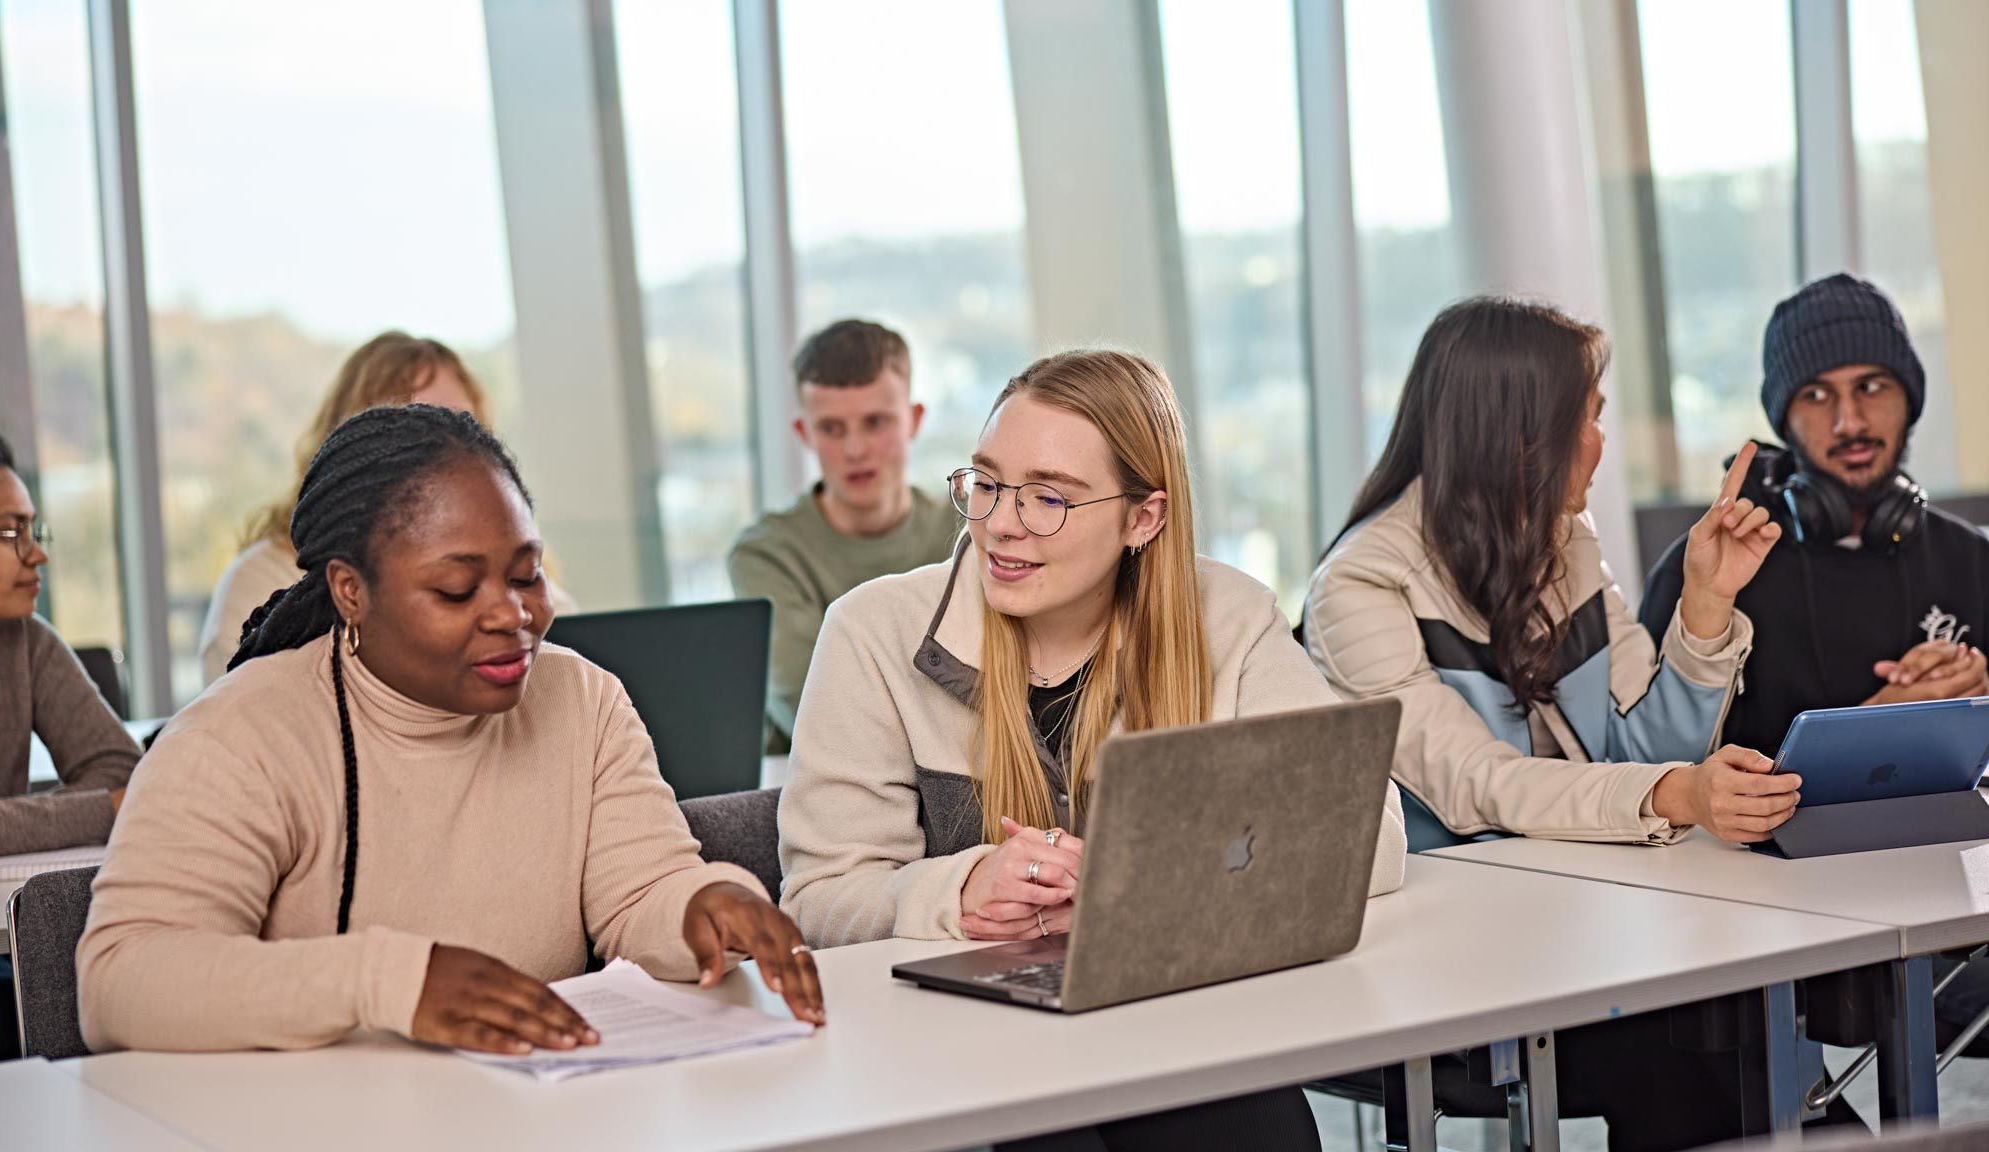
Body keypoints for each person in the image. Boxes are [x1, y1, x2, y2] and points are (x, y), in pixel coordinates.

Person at [779, 349, 1404, 1150]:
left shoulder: (1231, 619)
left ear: (1144, 518)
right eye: (988, 483)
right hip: (958, 1057)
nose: (1002, 522)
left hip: (1176, 1028)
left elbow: (1364, 836)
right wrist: (958, 891)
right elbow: (819, 896)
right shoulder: (872, 632)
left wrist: (1134, 896)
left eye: (1048, 498)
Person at [79, 405, 822, 1054]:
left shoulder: (582, 698)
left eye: (527, 575)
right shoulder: (239, 737)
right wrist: (389, 982)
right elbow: (123, 978)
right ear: (350, 591)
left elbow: (639, 893)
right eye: (457, 589)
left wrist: (702, 906)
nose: (513, 616)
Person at [1304, 297, 1811, 1151]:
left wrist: (1706, 604)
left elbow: (1650, 749)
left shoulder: (1566, 545)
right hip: (1455, 951)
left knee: (1742, 1021)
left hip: (1587, 917)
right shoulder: (1359, 587)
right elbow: (1480, 789)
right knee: (1683, 1044)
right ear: (1517, 434)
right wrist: (1673, 793)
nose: (1599, 443)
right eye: (1588, 418)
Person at [1638, 273, 1989, 1058]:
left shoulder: (1971, 561)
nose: (1852, 419)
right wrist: (1878, 726)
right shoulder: (1711, 571)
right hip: (1773, 927)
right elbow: (1650, 773)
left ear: (1910, 398)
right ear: (1783, 420)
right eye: (1818, 397)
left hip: (1956, 893)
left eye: (1872, 387)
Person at [197, 331, 572, 686]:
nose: (443, 450)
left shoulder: (535, 588)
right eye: (410, 428)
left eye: (461, 425)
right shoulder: (260, 583)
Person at [0, 422, 141, 1068]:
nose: (37, 555)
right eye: (10, 533)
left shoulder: (24, 641)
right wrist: (95, 809)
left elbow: (122, 772)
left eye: (35, 530)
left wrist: (105, 801)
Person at [728, 319, 960, 752]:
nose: (855, 450)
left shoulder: (965, 530)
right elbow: (816, 714)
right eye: (832, 429)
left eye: (876, 422)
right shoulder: (766, 554)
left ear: (914, 421)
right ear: (805, 434)